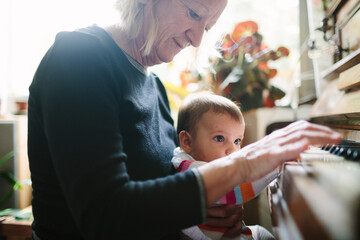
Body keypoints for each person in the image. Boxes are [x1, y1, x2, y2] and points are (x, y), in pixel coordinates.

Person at [27, 0, 342, 239]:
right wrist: (241, 166)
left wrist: (209, 208)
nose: (196, 39)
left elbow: (166, 187)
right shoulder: (78, 58)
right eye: (194, 13)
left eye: (206, 27)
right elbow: (106, 217)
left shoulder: (154, 87)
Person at [172, 92, 275, 240]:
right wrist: (272, 167)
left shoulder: (185, 159)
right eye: (219, 138)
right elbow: (239, 187)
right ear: (187, 142)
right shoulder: (192, 169)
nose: (233, 151)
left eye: (237, 141)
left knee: (262, 233)